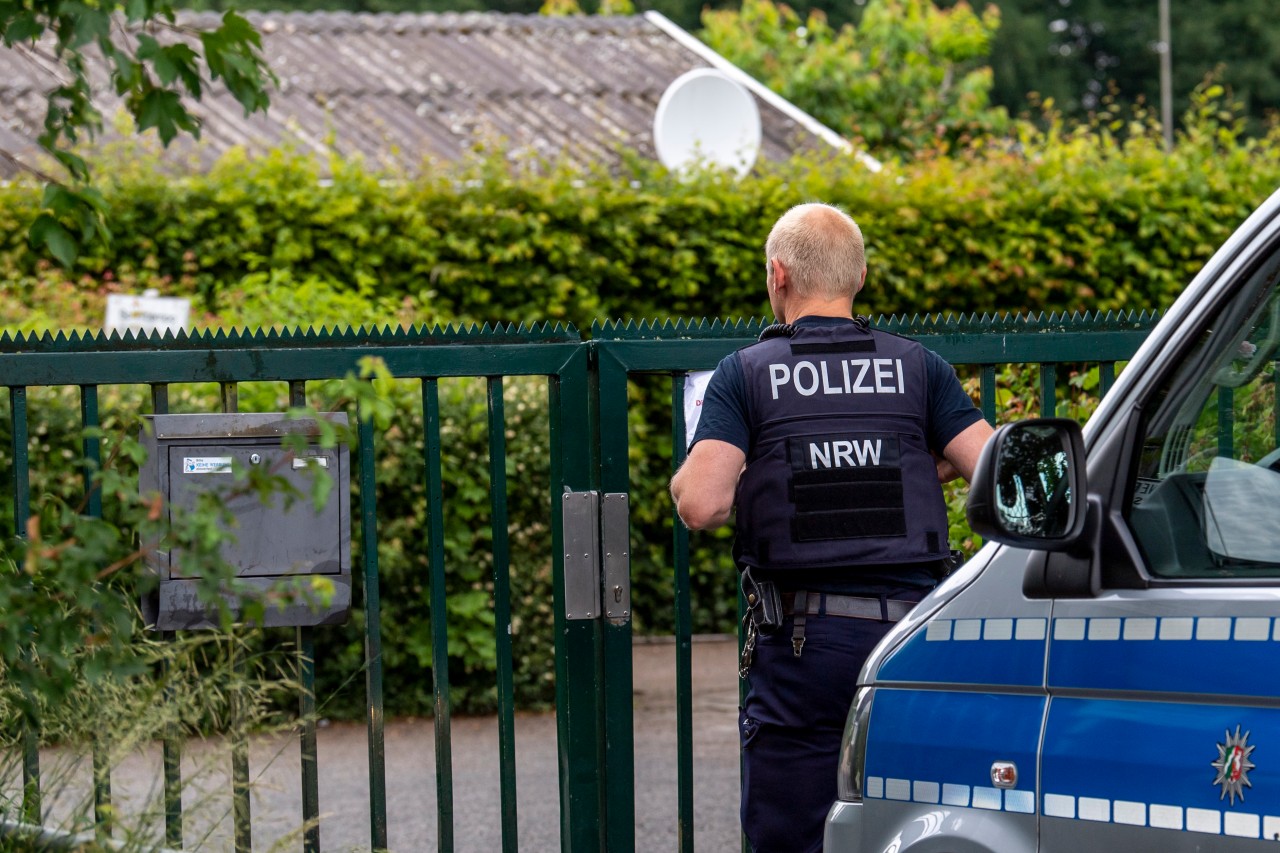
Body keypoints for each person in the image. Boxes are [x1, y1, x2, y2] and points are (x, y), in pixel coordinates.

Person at [669, 202, 993, 853]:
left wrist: (702, 475)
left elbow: (701, 505)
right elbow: (999, 470)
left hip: (804, 650)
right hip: (910, 642)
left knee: (796, 833)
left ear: (777, 276)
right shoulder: (918, 367)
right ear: (861, 275)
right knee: (913, 827)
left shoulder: (747, 374)